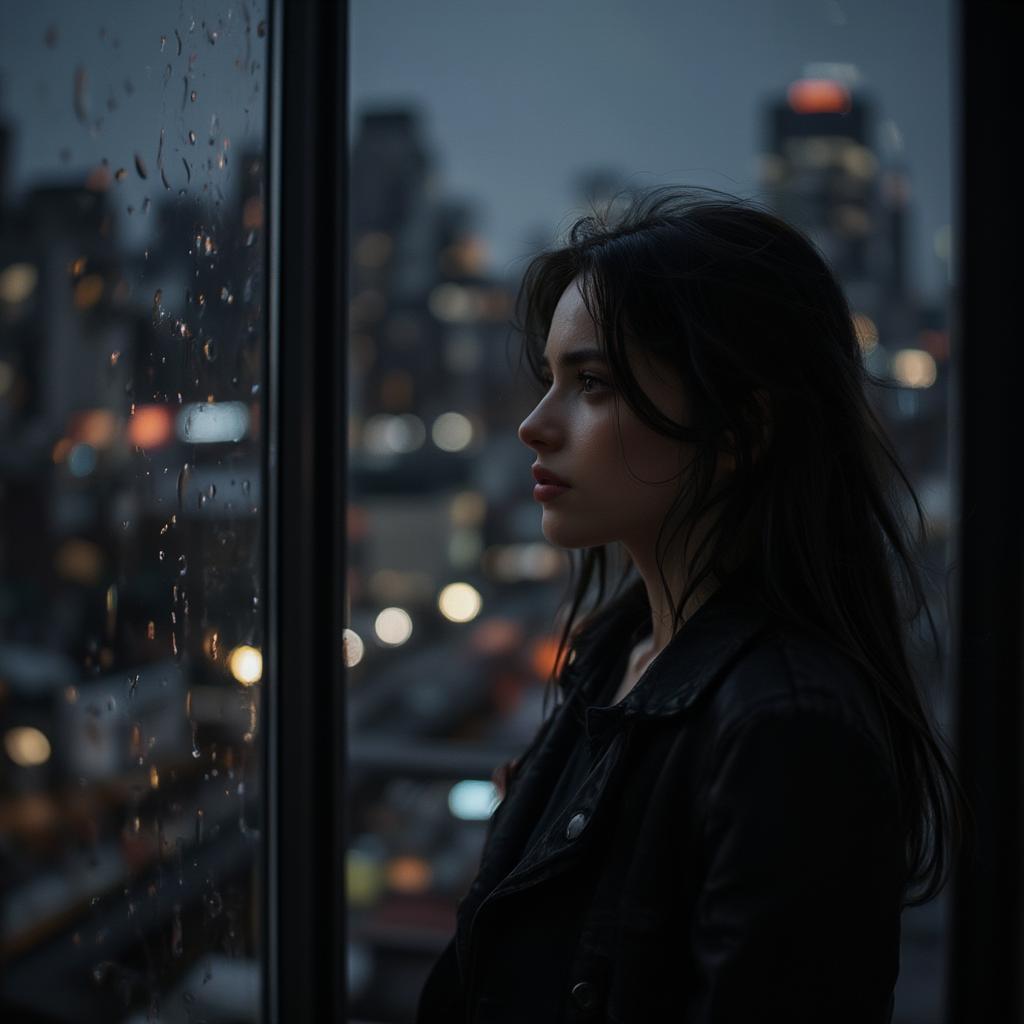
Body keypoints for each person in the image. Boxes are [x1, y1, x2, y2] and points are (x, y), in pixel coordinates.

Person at [416, 185, 972, 1022]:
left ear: (738, 433)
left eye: (592, 383)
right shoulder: (622, 653)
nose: (534, 424)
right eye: (549, 379)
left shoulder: (786, 729)